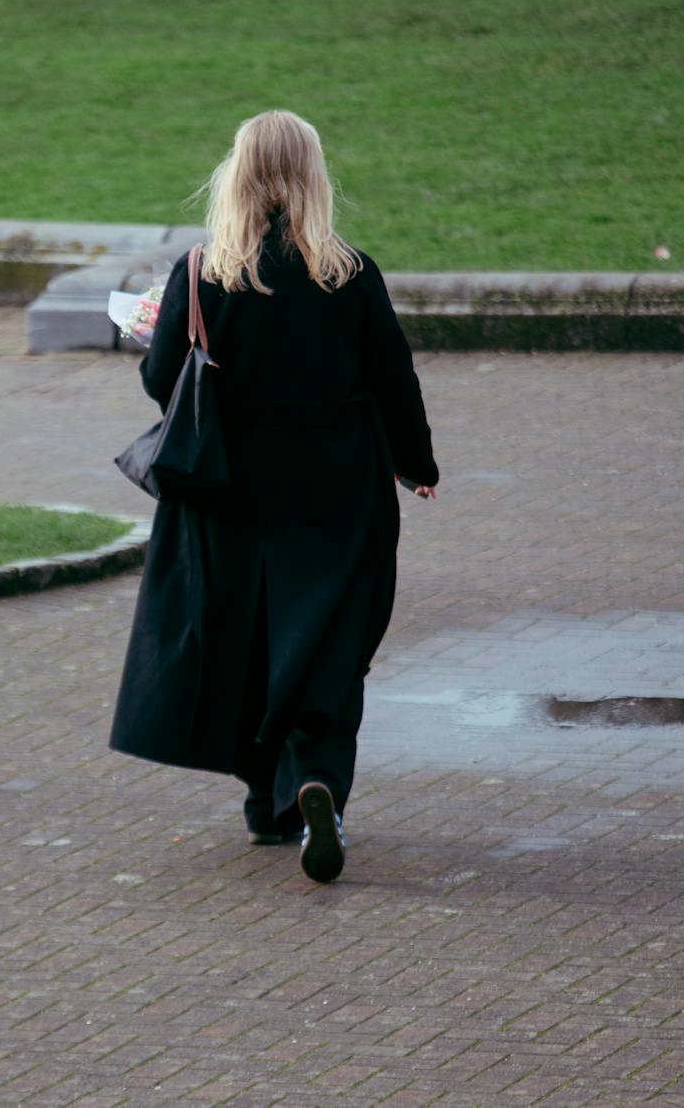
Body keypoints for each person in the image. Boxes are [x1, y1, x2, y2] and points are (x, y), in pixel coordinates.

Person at [111, 110, 439, 884]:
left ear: (239, 173)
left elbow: (163, 383)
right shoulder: (352, 273)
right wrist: (415, 462)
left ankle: (268, 802)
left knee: (252, 633)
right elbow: (395, 377)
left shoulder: (202, 272)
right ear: (314, 177)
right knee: (326, 635)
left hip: (233, 488)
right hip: (339, 483)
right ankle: (314, 777)